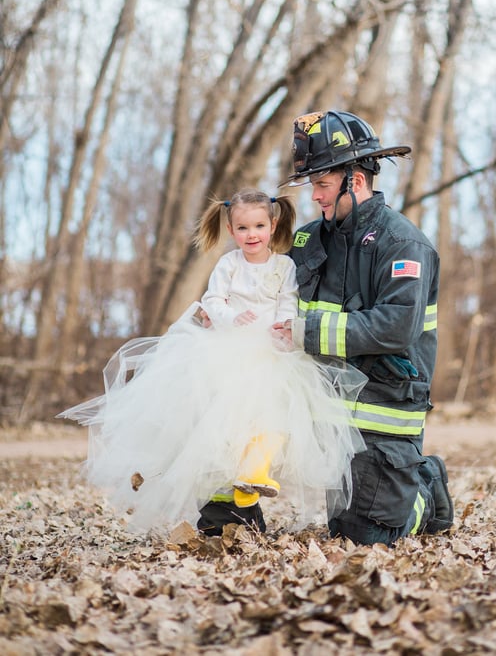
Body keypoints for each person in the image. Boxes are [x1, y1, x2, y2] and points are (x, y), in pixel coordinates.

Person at [198, 111, 454, 545]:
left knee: (363, 534)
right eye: (312, 185)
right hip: (309, 398)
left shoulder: (403, 245)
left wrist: (306, 332)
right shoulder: (307, 239)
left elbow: (395, 328)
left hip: (380, 405)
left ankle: (424, 490)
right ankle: (233, 513)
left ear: (354, 181)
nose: (313, 196)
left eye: (321, 184)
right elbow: (266, 293)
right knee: (220, 416)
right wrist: (215, 313)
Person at [59, 187, 365, 535]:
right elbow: (213, 300)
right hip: (229, 349)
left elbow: (287, 302)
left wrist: (284, 329)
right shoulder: (229, 264)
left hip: (271, 351)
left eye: (259, 227)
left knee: (275, 417)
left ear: (273, 225)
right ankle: (230, 502)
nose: (252, 235)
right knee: (223, 426)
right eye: (243, 229)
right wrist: (231, 317)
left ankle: (253, 474)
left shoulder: (284, 266)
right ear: (232, 230)